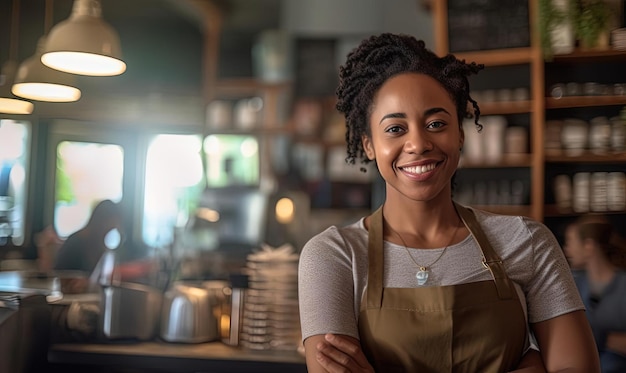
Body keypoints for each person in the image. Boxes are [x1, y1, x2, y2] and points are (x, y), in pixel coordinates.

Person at [298, 33, 600, 372]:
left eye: (436, 123)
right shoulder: (334, 255)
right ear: (369, 145)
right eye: (395, 129)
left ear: (460, 133)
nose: (418, 143)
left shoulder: (527, 242)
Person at [563, 215, 626, 373]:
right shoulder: (573, 283)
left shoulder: (623, 285)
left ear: (588, 246)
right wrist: (609, 339)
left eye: (570, 241)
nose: (566, 249)